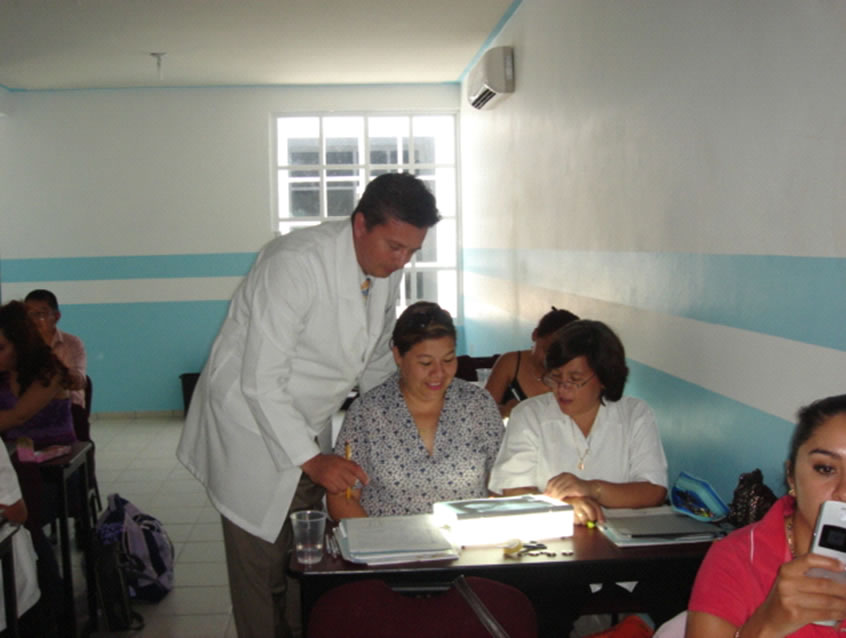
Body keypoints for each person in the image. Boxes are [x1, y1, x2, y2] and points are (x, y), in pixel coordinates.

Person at [176, 173, 440, 638]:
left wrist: (402, 417)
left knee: (304, 559)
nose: (402, 261)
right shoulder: (293, 263)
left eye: (412, 251)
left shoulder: (382, 271)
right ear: (361, 224)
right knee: (259, 569)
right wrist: (313, 460)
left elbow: (375, 360)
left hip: (307, 419)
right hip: (248, 427)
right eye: (395, 247)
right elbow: (260, 381)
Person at [687, 394, 846, 637]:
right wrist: (768, 624)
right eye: (825, 468)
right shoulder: (736, 558)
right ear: (791, 476)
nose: (843, 491)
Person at [328, 302, 504, 519]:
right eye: (425, 363)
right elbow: (343, 497)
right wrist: (377, 538)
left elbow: (504, 482)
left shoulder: (478, 405)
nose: (438, 373)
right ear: (398, 356)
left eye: (448, 360)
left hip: (466, 537)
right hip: (387, 537)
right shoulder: (368, 412)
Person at [488, 319, 667, 523]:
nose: (562, 389)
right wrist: (563, 507)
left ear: (604, 378)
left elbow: (654, 491)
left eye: (574, 380)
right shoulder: (529, 415)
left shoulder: (635, 414)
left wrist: (593, 489)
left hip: (621, 536)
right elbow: (513, 490)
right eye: (555, 378)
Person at [0, 301, 75, 447]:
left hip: (55, 456)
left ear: (21, 345)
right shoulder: (4, 373)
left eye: (0, 348)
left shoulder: (51, 372)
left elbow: (18, 416)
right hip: (11, 454)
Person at [484, 306, 579, 418]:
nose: (551, 361)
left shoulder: (575, 372)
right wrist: (505, 411)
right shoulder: (510, 363)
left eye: (561, 357)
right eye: (547, 351)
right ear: (535, 334)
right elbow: (482, 411)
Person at [23, 290, 87, 418]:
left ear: (56, 317)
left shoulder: (71, 343)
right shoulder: (18, 344)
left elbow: (78, 381)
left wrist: (54, 372)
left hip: (67, 408)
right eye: (29, 314)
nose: (34, 320)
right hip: (29, 408)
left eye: (41, 314)